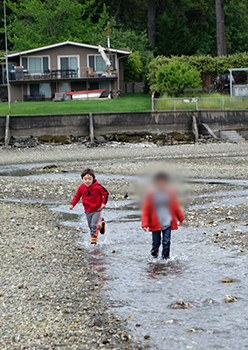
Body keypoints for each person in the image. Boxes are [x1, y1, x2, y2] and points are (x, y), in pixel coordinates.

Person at [141, 172, 184, 260]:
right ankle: (154, 256)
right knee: (156, 243)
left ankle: (165, 259)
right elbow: (146, 210)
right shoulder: (151, 194)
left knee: (166, 242)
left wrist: (180, 218)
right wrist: (145, 223)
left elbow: (176, 206)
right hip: (155, 223)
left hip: (167, 222)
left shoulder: (170, 193)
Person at [70, 168, 109, 245]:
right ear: (82, 179)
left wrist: (104, 203)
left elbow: (106, 193)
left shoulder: (98, 187)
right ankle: (101, 225)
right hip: (87, 210)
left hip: (97, 209)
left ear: (93, 179)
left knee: (93, 226)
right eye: (85, 179)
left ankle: (93, 243)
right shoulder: (81, 188)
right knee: (90, 226)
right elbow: (77, 196)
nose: (87, 181)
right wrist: (72, 204)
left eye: (89, 179)